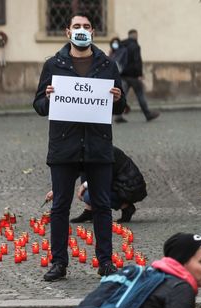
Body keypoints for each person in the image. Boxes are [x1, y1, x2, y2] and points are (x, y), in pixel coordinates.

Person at [33, 12, 126, 281]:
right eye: (77, 26)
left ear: (93, 32)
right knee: (60, 206)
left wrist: (118, 99)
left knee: (102, 206)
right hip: (64, 147)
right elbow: (39, 106)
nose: (81, 30)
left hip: (98, 146)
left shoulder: (107, 65)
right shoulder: (53, 64)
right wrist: (49, 98)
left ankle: (106, 262)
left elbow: (120, 105)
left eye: (86, 26)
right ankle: (59, 263)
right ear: (67, 32)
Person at [68, 146, 146, 223]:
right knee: (85, 166)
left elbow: (103, 177)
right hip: (116, 185)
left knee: (89, 195)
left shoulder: (106, 153)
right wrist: (58, 188)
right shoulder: (91, 152)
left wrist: (84, 186)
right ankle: (89, 211)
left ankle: (126, 207)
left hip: (130, 189)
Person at [114, 29, 159, 123]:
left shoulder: (121, 44)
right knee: (140, 95)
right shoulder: (135, 46)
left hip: (122, 74)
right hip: (133, 76)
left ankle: (118, 116)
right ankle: (148, 114)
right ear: (135, 35)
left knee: (121, 96)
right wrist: (139, 74)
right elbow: (137, 61)